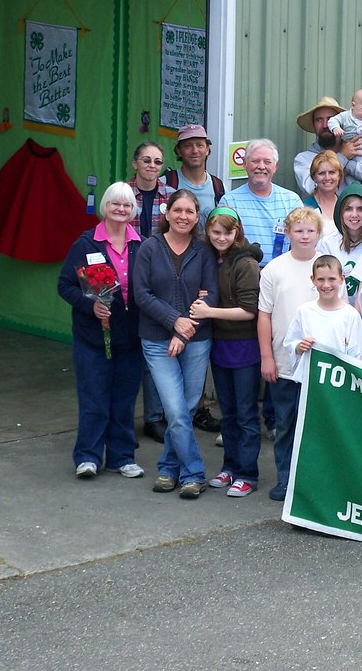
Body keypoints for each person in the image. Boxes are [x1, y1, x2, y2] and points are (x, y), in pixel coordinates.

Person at [134, 189, 219, 499]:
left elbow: (209, 295)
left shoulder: (204, 250)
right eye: (178, 210)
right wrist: (174, 322)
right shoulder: (149, 247)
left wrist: (183, 333)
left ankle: (169, 468)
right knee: (175, 409)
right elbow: (142, 294)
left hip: (196, 340)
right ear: (167, 213)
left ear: (197, 218)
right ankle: (194, 473)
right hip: (157, 342)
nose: (183, 216)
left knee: (185, 408)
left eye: (190, 212)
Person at [57, 181, 145, 480]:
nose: (121, 209)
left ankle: (122, 457)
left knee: (124, 400)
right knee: (94, 398)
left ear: (133, 210)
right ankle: (87, 456)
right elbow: (65, 285)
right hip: (93, 338)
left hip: (131, 337)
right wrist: (90, 305)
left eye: (127, 205)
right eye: (115, 204)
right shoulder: (85, 244)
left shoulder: (142, 245)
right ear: (105, 207)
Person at [188, 207, 262, 499]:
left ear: (237, 232)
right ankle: (230, 466)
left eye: (228, 232)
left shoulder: (246, 264)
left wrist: (209, 311)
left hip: (244, 346)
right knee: (227, 412)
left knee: (246, 413)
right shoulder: (209, 259)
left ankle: (248, 473)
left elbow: (249, 310)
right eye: (216, 232)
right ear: (207, 231)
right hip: (219, 345)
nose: (221, 237)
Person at [257, 207, 323, 501]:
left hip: (319, 365)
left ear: (318, 234)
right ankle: (285, 478)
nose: (304, 236)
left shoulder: (326, 266)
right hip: (285, 364)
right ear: (288, 233)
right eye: (298, 231)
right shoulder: (274, 269)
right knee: (285, 424)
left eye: (310, 231)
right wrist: (267, 357)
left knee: (315, 427)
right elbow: (264, 315)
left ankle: (311, 481)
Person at [127, 141, 170, 443]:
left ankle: (154, 418)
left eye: (157, 161)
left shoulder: (171, 195)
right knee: (130, 353)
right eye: (146, 160)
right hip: (127, 276)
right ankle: (122, 419)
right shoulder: (123, 194)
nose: (152, 166)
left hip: (160, 279)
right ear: (135, 164)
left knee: (155, 352)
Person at [222, 138, 303, 268]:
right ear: (244, 164)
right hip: (242, 273)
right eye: (255, 161)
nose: (261, 166)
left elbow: (303, 241)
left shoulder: (292, 201)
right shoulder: (229, 202)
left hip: (282, 272)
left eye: (267, 162)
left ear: (275, 166)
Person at [284, 255, 362, 374]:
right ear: (313, 279)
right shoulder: (304, 311)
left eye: (332, 279)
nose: (326, 285)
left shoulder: (351, 315)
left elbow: (357, 355)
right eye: (321, 279)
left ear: (342, 279)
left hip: (339, 380)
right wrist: (299, 346)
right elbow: (290, 342)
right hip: (309, 378)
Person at [292, 96, 362, 192]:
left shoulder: (359, 147)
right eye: (319, 120)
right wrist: (343, 157)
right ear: (314, 125)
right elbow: (311, 188)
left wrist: (349, 165)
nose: (325, 125)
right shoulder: (304, 159)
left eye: (331, 119)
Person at [317, 182, 362, 305]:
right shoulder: (327, 244)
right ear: (340, 212)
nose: (354, 214)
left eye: (360, 209)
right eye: (348, 209)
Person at [163, 124, 226, 225]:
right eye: (188, 146)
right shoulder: (165, 183)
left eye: (199, 145)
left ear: (207, 149)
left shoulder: (219, 187)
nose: (194, 151)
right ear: (179, 151)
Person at [302, 150, 344, 235]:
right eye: (321, 173)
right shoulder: (304, 207)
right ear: (314, 177)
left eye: (332, 172)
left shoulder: (345, 205)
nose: (327, 178)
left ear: (339, 175)